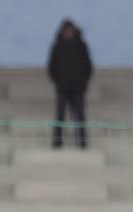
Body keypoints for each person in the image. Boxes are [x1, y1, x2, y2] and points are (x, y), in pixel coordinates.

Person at [48, 19, 93, 150]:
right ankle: (57, 141)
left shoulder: (82, 45)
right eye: (66, 30)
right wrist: (57, 80)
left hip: (78, 88)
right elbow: (51, 67)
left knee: (80, 115)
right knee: (60, 115)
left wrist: (83, 82)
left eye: (70, 30)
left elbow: (88, 67)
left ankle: (82, 142)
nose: (68, 33)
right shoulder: (57, 46)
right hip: (62, 87)